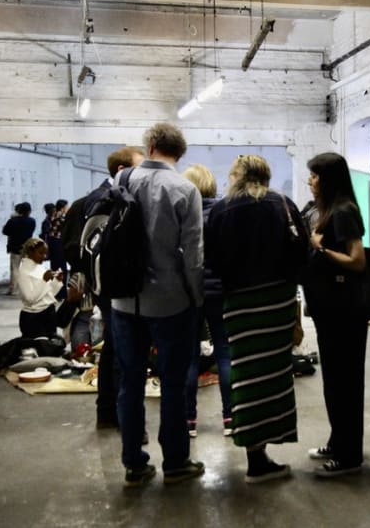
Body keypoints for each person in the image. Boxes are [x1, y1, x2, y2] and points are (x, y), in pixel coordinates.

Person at [110, 123, 205, 487]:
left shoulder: (121, 181)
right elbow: (193, 255)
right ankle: (176, 462)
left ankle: (134, 464)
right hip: (170, 302)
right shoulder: (185, 190)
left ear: (150, 146)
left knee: (130, 382)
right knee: (173, 383)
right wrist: (196, 298)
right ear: (179, 154)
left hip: (124, 300)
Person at [205, 155, 309, 483]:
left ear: (237, 175)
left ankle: (255, 453)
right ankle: (265, 450)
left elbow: (211, 258)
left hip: (239, 302)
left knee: (246, 374)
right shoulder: (283, 204)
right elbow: (301, 250)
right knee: (276, 373)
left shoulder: (222, 210)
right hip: (277, 300)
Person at [61, 146, 145, 429]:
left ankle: (107, 412)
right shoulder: (109, 201)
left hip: (104, 287)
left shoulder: (87, 201)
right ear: (122, 170)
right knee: (124, 351)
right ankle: (122, 417)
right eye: (139, 168)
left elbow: (72, 248)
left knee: (113, 347)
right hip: (116, 287)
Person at [301, 152, 369, 478]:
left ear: (329, 179)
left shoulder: (343, 211)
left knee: (345, 383)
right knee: (333, 380)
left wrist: (321, 249)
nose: (310, 181)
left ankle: (349, 455)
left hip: (344, 312)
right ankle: (337, 440)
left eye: (315, 176)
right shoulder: (327, 209)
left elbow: (357, 260)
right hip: (330, 309)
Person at [181, 163, 233, 439]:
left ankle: (189, 420)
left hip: (190, 293)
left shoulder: (183, 214)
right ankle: (230, 418)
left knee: (189, 356)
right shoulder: (224, 213)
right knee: (224, 353)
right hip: (220, 292)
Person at [15, 236, 62, 338]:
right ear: (30, 252)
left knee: (51, 345)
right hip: (34, 316)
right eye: (41, 253)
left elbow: (48, 294)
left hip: (48, 312)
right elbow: (30, 299)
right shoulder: (24, 271)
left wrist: (57, 281)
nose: (44, 257)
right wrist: (44, 281)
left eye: (46, 253)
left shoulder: (40, 267)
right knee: (38, 345)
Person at [2, 203, 35, 296]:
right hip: (27, 247)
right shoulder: (32, 221)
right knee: (27, 268)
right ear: (29, 211)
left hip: (15, 247)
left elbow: (5, 231)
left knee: (15, 268)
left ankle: (13, 289)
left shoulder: (12, 221)